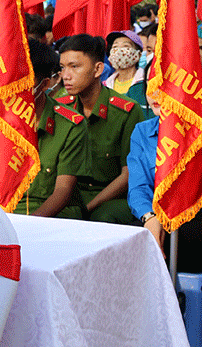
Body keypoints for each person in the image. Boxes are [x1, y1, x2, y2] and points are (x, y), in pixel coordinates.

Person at [127, 89, 202, 271]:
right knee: (126, 241)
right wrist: (149, 217)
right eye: (152, 85)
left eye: (164, 86)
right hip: (153, 216)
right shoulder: (142, 131)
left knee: (151, 246)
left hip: (201, 219)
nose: (155, 95)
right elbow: (138, 187)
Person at [57, 33, 143, 224]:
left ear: (97, 69)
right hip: (70, 195)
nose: (66, 76)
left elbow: (127, 174)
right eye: (62, 67)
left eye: (74, 66)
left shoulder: (127, 111)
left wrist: (87, 208)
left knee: (102, 218)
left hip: (112, 198)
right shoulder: (61, 108)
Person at [13, 40, 86, 217]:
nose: (16, 89)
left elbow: (63, 190)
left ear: (45, 84)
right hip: (6, 213)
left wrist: (29, 225)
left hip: (51, 215)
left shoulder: (70, 125)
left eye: (24, 83)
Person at [102, 30, 148, 112]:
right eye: (115, 47)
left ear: (138, 54)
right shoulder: (105, 86)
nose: (119, 51)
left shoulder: (146, 83)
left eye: (125, 46)